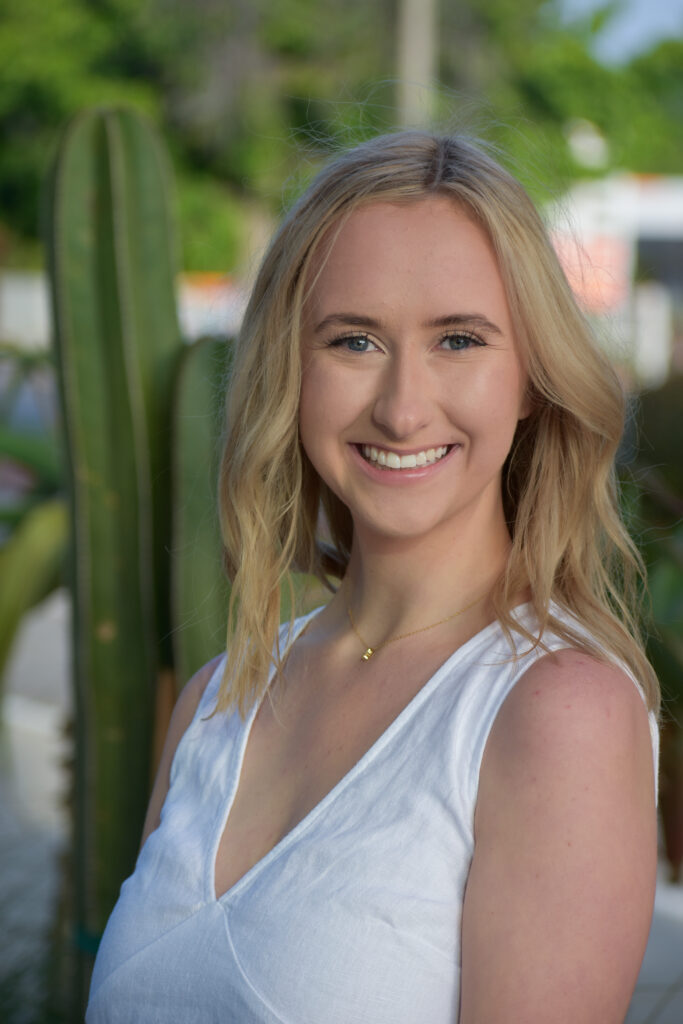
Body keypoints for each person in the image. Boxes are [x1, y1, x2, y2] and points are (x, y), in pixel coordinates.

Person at [86, 130, 660, 1023]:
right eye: (353, 341)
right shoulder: (215, 701)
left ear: (530, 382)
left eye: (459, 340)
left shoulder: (557, 713)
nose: (399, 408)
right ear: (291, 370)